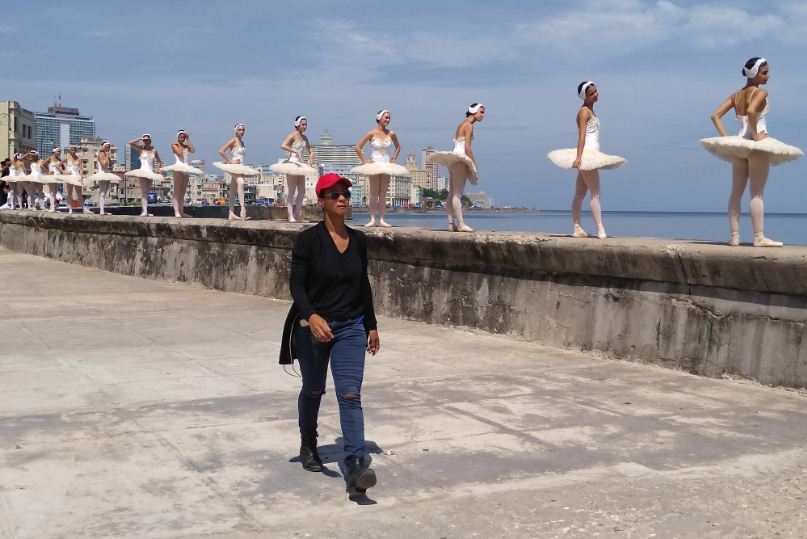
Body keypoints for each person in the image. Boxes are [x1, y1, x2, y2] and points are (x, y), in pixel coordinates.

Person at [279, 173, 381, 501]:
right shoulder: (309, 240)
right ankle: (308, 443)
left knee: (350, 395)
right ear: (321, 201)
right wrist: (311, 315)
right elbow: (296, 284)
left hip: (352, 325)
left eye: (346, 194)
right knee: (314, 388)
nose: (342, 199)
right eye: (334, 194)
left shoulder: (359, 240)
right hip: (314, 327)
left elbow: (362, 284)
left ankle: (355, 464)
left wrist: (371, 325)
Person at [701, 57, 803, 247]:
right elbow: (751, 111)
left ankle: (735, 236)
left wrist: (727, 140)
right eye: (764, 73)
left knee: (735, 192)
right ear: (755, 74)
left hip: (739, 145)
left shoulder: (736, 95)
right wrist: (756, 137)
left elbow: (715, 116)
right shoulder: (761, 92)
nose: (768, 76)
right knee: (757, 193)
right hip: (756, 147)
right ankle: (759, 237)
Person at [548, 82, 626, 239]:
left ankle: (577, 228)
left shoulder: (590, 110)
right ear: (585, 96)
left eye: (596, 92)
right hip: (587, 155)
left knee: (579, 194)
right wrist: (579, 158)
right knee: (595, 194)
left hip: (590, 154)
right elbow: (582, 136)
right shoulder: (584, 112)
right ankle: (600, 229)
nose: (596, 95)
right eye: (592, 94)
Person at [427, 103, 485, 232]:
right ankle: (461, 224)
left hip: (453, 159)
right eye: (481, 112)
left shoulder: (460, 124)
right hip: (461, 159)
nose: (483, 115)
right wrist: (473, 164)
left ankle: (450, 224)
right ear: (474, 112)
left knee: (452, 193)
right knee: (457, 194)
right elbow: (467, 148)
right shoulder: (469, 126)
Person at [352, 110, 410, 227]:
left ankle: (382, 219)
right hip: (374, 164)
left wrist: (393, 158)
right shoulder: (371, 133)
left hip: (386, 164)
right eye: (386, 118)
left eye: (389, 118)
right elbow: (358, 147)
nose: (388, 120)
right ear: (379, 118)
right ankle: (372, 219)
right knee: (373, 192)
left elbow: (398, 147)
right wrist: (365, 161)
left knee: (383, 193)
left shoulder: (391, 133)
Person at [270, 116, 318, 222]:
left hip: (300, 164)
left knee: (302, 189)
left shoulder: (305, 138)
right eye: (303, 124)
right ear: (297, 124)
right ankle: (290, 214)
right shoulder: (293, 135)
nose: (305, 126)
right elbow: (283, 145)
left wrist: (311, 158)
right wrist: (294, 151)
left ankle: (297, 213)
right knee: (292, 190)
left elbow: (310, 150)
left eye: (306, 124)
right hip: (292, 163)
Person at [214, 123, 259, 220]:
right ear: (235, 131)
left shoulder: (243, 143)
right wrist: (230, 161)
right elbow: (221, 151)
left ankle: (231, 213)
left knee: (233, 190)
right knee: (241, 182)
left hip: (241, 166)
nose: (242, 132)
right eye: (240, 130)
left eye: (243, 130)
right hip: (234, 167)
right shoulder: (233, 141)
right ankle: (243, 209)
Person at [161, 130, 202, 218]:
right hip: (178, 167)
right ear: (178, 137)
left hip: (186, 168)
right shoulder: (174, 144)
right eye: (181, 137)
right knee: (177, 191)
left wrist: (188, 139)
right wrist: (180, 143)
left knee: (183, 192)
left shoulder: (186, 145)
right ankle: (176, 211)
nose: (182, 139)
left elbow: (193, 150)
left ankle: (181, 211)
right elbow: (179, 153)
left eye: (184, 137)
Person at [124, 134, 164, 217]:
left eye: (147, 140)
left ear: (150, 140)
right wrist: (140, 138)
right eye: (144, 140)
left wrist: (157, 170)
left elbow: (159, 161)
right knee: (144, 192)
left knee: (147, 192)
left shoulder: (154, 150)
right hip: (142, 171)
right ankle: (144, 211)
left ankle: (144, 211)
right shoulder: (141, 149)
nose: (145, 141)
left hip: (150, 172)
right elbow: (130, 143)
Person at [86, 141, 119, 215]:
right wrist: (107, 156)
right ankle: (101, 210)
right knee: (102, 192)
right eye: (107, 147)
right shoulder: (100, 154)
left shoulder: (108, 156)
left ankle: (103, 209)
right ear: (103, 147)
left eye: (109, 147)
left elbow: (110, 166)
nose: (108, 148)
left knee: (106, 192)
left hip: (107, 173)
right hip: (102, 174)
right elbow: (103, 165)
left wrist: (110, 166)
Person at [61, 145, 91, 215]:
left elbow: (81, 169)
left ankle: (84, 209)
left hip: (77, 176)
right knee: (69, 193)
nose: (73, 150)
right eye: (72, 149)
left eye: (74, 149)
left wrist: (81, 177)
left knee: (79, 194)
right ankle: (70, 209)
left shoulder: (79, 158)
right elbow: (58, 165)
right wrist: (64, 171)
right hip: (70, 177)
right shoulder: (67, 157)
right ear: (69, 150)